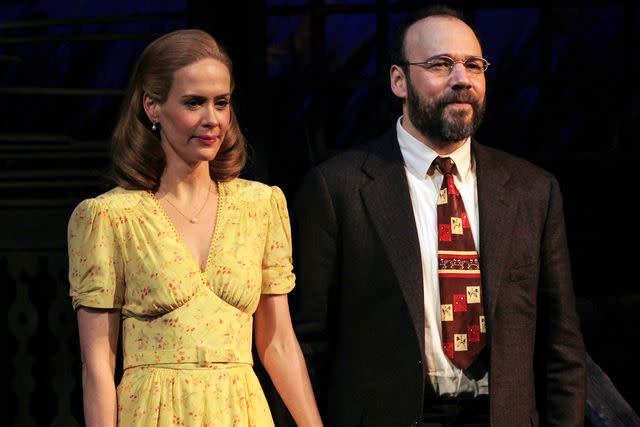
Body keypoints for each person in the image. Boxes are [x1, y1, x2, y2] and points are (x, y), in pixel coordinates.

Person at [292, 6, 586, 426]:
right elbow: (307, 344)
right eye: (440, 64)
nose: (461, 78)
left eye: (473, 65)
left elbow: (563, 347)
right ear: (399, 80)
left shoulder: (532, 190)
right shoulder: (337, 188)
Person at [67, 29, 322, 427]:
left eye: (221, 103)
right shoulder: (110, 217)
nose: (212, 119)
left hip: (242, 412)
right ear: (153, 107)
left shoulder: (260, 205)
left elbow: (279, 344)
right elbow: (98, 363)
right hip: (154, 412)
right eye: (193, 103)